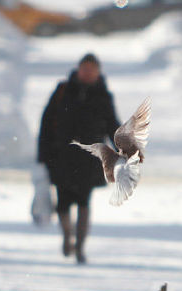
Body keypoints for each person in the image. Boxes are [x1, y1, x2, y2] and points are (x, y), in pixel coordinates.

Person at [38, 53, 120, 264]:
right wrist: (43, 154)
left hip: (89, 158)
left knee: (84, 201)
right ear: (78, 69)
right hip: (61, 156)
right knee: (63, 201)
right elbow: (46, 123)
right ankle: (67, 235)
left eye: (92, 69)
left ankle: (81, 246)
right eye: (85, 68)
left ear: (98, 72)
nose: (87, 73)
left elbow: (113, 124)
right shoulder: (63, 91)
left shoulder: (103, 96)